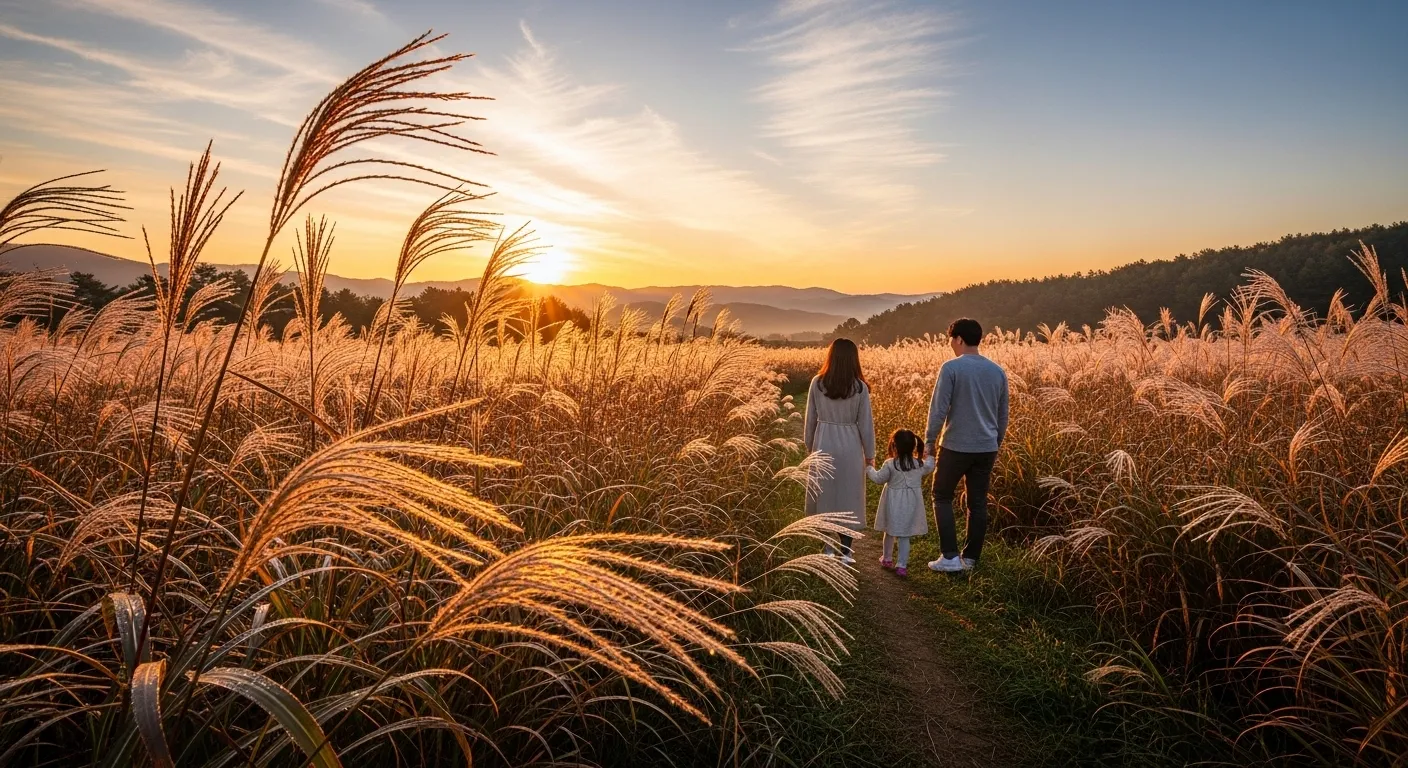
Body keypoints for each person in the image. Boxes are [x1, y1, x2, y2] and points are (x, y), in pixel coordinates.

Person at [925, 318, 1009, 573]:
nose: (950, 344)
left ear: (959, 339)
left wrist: (929, 440)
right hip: (986, 447)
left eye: (951, 339)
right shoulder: (997, 371)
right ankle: (970, 559)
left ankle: (949, 556)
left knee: (941, 495)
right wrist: (995, 442)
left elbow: (938, 410)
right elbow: (1002, 414)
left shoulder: (951, 368)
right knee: (978, 503)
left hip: (955, 445)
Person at [803, 338, 876, 563]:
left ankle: (827, 547)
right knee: (849, 496)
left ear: (831, 356)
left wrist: (809, 446)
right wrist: (870, 454)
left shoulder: (817, 383)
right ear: (854, 359)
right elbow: (866, 424)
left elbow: (810, 420)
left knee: (824, 494)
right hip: (851, 445)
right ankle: (846, 552)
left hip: (824, 442)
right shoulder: (860, 387)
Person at [867, 428, 936, 577]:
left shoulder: (891, 464)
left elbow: (878, 479)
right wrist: (930, 455)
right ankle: (902, 565)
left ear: (894, 446)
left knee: (889, 531)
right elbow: (930, 466)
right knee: (905, 536)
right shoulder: (918, 464)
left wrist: (869, 468)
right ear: (913, 446)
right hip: (911, 505)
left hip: (893, 504)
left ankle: (887, 559)